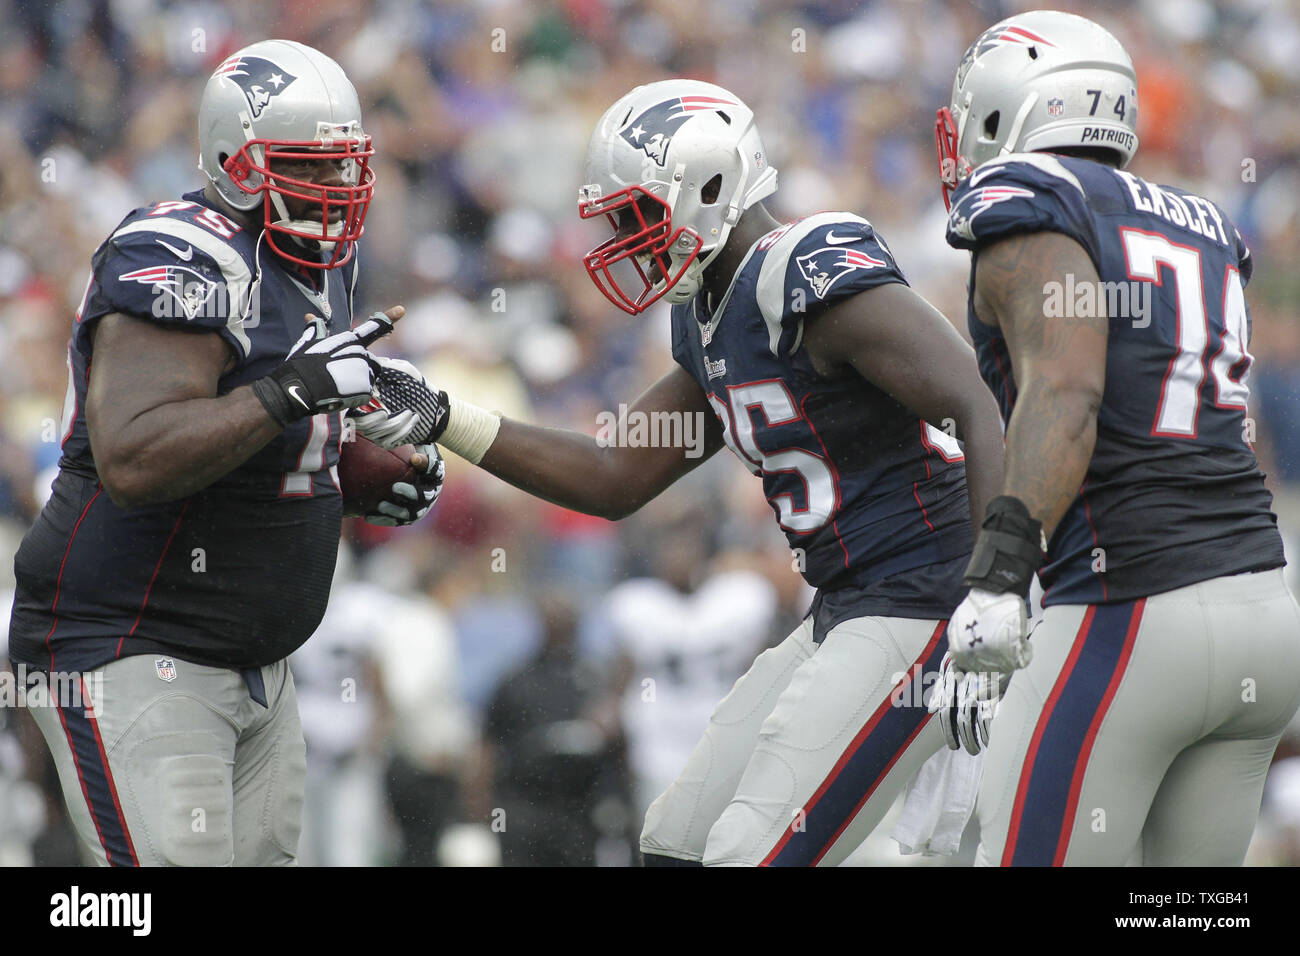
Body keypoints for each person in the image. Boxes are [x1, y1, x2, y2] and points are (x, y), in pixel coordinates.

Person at [356, 79, 1006, 865]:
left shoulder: (805, 267)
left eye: (636, 213)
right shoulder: (710, 313)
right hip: (845, 606)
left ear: (709, 185)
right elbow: (612, 474)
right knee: (675, 845)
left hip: (922, 599)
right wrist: (444, 413)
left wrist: (995, 598)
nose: (624, 237)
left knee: (748, 854)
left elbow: (979, 402)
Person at [6, 39, 443, 866]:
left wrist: (352, 473)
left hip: (256, 662)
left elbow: (256, 439)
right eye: (311, 168)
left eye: (346, 166)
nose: (338, 189)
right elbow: (137, 456)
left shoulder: (316, 257)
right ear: (234, 162)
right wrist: (293, 393)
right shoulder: (178, 253)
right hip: (133, 642)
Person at [934, 9, 1300, 865]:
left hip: (1130, 612)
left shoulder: (1032, 202)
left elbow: (1067, 389)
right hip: (1263, 610)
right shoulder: (1205, 222)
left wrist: (997, 578)